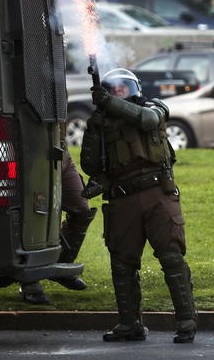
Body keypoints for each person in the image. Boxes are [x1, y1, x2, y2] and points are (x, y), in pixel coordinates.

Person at [80, 68, 196, 344]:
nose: (119, 92)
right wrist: (97, 123)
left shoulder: (153, 107)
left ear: (133, 88)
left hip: (158, 194)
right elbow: (90, 164)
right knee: (122, 263)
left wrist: (108, 104)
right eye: (112, 89)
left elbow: (146, 121)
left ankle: (186, 321)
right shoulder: (101, 121)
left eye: (123, 87)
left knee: (171, 257)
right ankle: (129, 324)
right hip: (122, 199)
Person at [19, 145, 97, 304]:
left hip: (60, 152)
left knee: (82, 209)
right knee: (35, 216)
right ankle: (29, 282)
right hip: (33, 152)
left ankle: (61, 267)